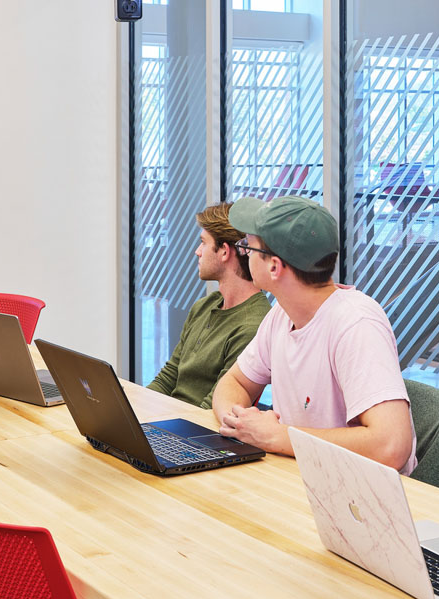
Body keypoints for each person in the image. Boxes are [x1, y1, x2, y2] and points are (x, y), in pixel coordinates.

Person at [211, 195, 416, 473]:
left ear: (274, 266)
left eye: (249, 247)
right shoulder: (281, 315)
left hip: (362, 498)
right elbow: (234, 382)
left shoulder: (356, 323)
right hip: (305, 478)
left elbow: (391, 445)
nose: (244, 253)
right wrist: (239, 423)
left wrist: (279, 436)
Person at [147, 202, 272, 408]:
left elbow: (212, 408)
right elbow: (169, 377)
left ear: (224, 251)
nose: (198, 251)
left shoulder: (252, 326)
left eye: (203, 243)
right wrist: (135, 409)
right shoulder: (205, 306)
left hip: (194, 430)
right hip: (168, 420)